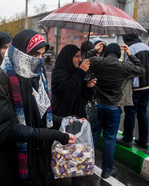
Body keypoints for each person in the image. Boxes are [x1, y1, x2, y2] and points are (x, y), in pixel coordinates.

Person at [0, 29, 76, 186]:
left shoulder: (36, 77)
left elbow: (40, 115)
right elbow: (3, 129)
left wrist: (66, 121)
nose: (39, 60)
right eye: (35, 54)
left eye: (42, 55)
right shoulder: (0, 81)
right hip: (9, 161)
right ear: (19, 52)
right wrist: (49, 134)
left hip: (35, 157)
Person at [89, 43, 145, 178]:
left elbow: (87, 57)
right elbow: (142, 70)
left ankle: (87, 163)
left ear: (106, 52)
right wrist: (131, 55)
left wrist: (95, 49)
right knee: (109, 139)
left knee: (93, 135)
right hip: (114, 107)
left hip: (98, 106)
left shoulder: (98, 62)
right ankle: (107, 169)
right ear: (119, 54)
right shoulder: (124, 66)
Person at [51, 44, 96, 185]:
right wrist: (81, 73)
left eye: (80, 56)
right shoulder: (59, 73)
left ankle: (78, 180)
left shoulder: (74, 72)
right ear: (67, 57)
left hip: (77, 121)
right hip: (62, 121)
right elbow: (67, 94)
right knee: (62, 158)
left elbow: (80, 96)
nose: (79, 59)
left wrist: (87, 86)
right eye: (76, 56)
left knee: (78, 156)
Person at [116, 34, 149, 149]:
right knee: (143, 113)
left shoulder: (131, 49)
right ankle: (144, 140)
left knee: (130, 113)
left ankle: (127, 138)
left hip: (135, 87)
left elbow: (128, 68)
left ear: (127, 39)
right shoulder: (148, 48)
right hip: (148, 85)